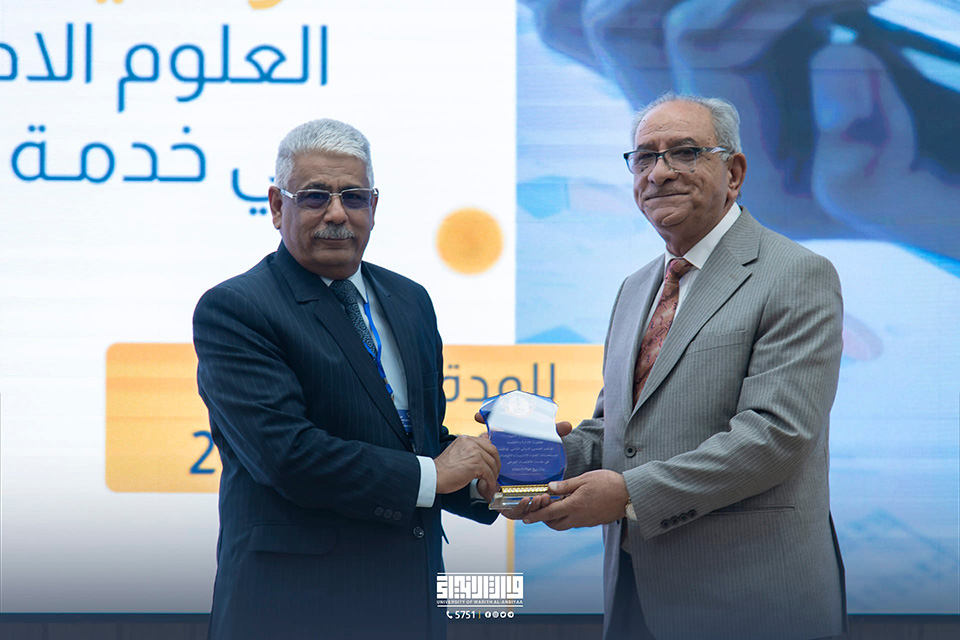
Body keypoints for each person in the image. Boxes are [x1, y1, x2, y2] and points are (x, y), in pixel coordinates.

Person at [519, 94, 847, 640]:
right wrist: (526, 460)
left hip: (752, 604)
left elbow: (776, 435)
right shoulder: (635, 288)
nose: (659, 173)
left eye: (685, 152)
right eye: (644, 157)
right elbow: (618, 433)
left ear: (733, 173)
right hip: (633, 594)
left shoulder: (796, 274)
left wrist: (628, 494)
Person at [193, 118, 500, 640]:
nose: (337, 213)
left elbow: (417, 442)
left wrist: (496, 471)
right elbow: (287, 456)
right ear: (276, 206)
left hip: (411, 606)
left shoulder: (410, 300)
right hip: (294, 612)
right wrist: (433, 475)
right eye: (315, 196)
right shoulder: (238, 308)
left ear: (373, 207)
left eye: (353, 197)